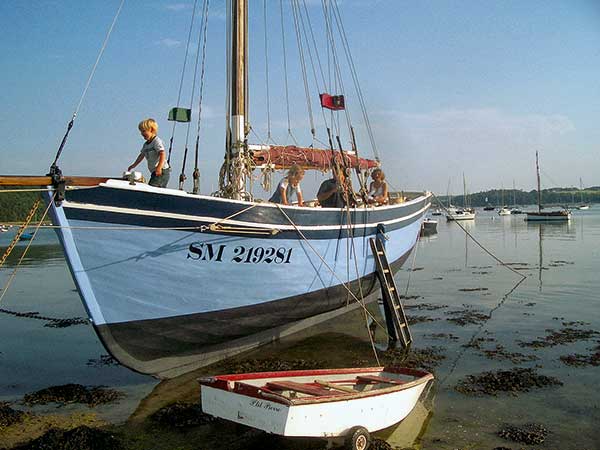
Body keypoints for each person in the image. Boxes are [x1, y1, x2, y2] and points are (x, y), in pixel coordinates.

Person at [127, 118, 171, 188]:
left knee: (153, 187)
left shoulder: (156, 141)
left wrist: (159, 167)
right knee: (153, 186)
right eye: (141, 132)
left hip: (162, 171)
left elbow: (162, 154)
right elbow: (141, 155)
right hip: (154, 171)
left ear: (151, 130)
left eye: (144, 131)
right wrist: (133, 165)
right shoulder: (146, 145)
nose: (142, 133)